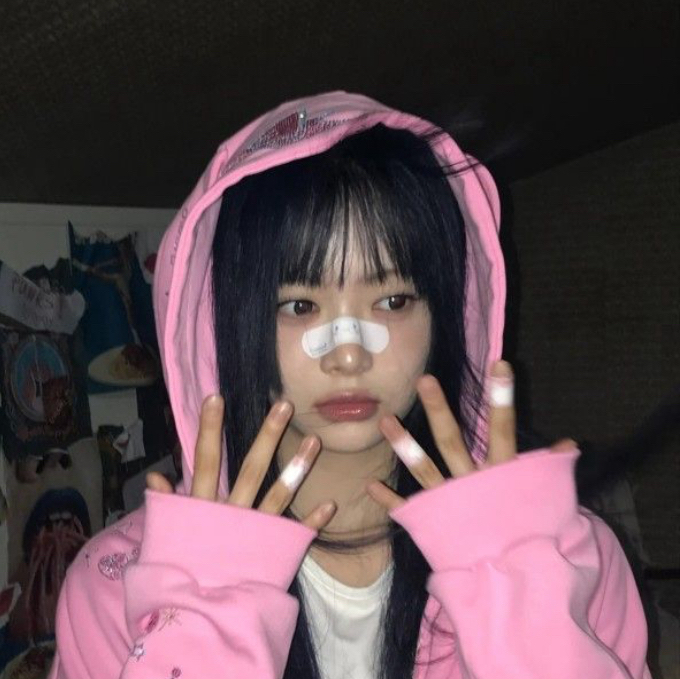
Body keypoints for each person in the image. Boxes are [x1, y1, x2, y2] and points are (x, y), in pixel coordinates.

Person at [48, 91, 652, 679]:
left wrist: (513, 586)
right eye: (299, 305)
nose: (348, 353)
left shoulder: (566, 559)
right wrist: (207, 613)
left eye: (393, 300)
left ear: (451, 313)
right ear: (220, 326)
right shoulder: (114, 588)